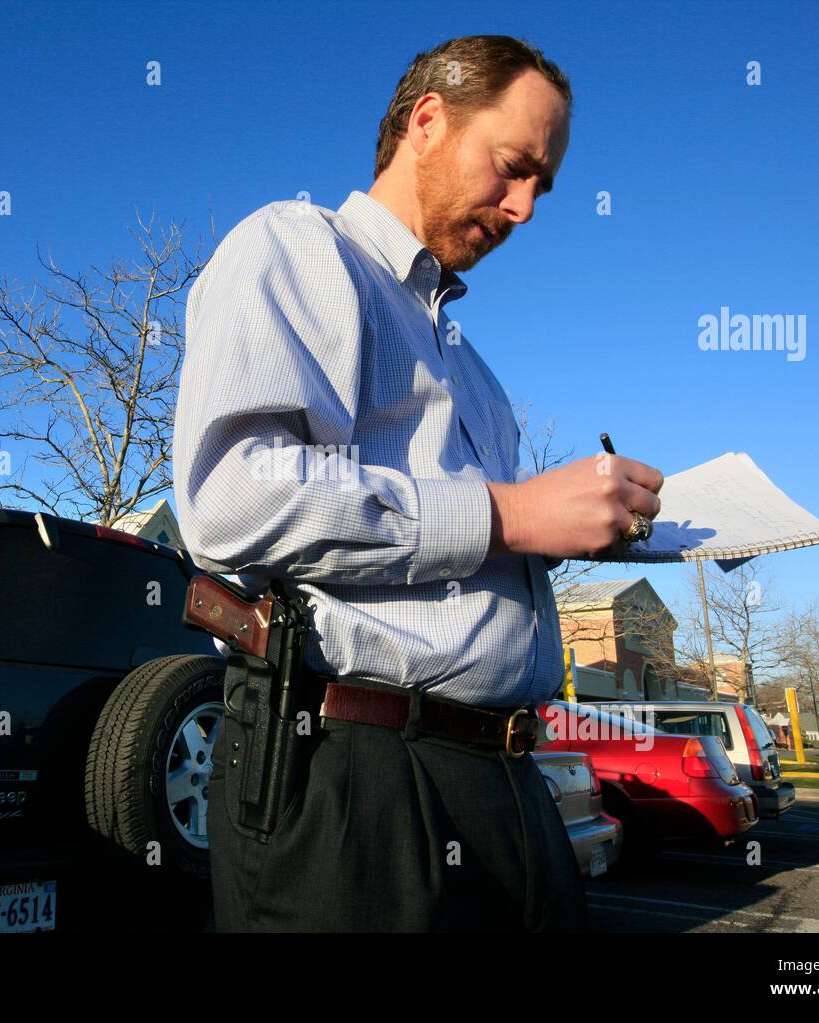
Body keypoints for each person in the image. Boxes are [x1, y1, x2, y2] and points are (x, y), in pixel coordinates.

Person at [172, 34, 664, 932]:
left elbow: (469, 551)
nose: (522, 209)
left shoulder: (477, 374)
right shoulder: (295, 248)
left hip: (513, 783)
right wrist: (510, 513)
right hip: (357, 777)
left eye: (541, 189)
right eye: (513, 169)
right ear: (428, 120)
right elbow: (230, 500)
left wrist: (588, 526)